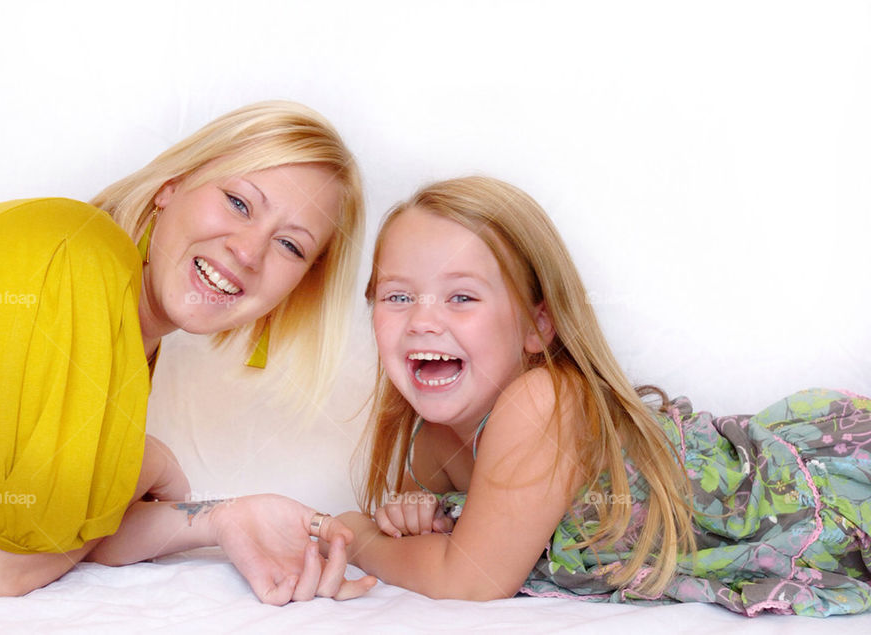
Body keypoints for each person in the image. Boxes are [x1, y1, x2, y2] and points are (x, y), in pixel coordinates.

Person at [331, 176, 871, 616]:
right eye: (397, 296)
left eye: (462, 296)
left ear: (538, 326)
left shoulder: (539, 402)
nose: (423, 320)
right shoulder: (431, 443)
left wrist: (352, 534)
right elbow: (418, 530)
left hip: (821, 487)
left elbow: (470, 578)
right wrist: (410, 512)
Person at [0, 100, 376, 604]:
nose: (248, 251)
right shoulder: (75, 252)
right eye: (239, 203)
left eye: (290, 245)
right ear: (169, 187)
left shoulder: (128, 332)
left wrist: (222, 517)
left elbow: (50, 525)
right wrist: (147, 461)